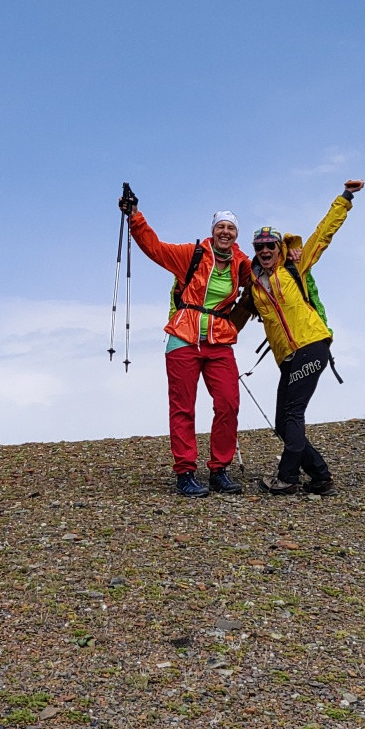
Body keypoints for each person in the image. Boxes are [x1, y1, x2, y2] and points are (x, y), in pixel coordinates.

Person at [119, 187, 252, 497]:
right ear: (212, 230)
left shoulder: (241, 264)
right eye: (221, 226)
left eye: (231, 228)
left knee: (228, 403)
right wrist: (135, 216)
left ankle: (219, 469)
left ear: (236, 235)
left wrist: (292, 251)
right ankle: (185, 473)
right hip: (183, 338)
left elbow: (267, 272)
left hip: (218, 341)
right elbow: (154, 248)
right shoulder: (191, 256)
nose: (225, 231)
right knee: (183, 408)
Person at [243, 179, 361, 495]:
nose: (265, 250)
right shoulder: (254, 287)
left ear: (279, 248)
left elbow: (323, 234)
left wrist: (345, 198)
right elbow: (234, 317)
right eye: (259, 247)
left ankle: (288, 478)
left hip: (311, 346)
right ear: (254, 252)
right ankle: (321, 479)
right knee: (283, 423)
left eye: (270, 245)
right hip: (289, 358)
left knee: (293, 415)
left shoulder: (296, 266)